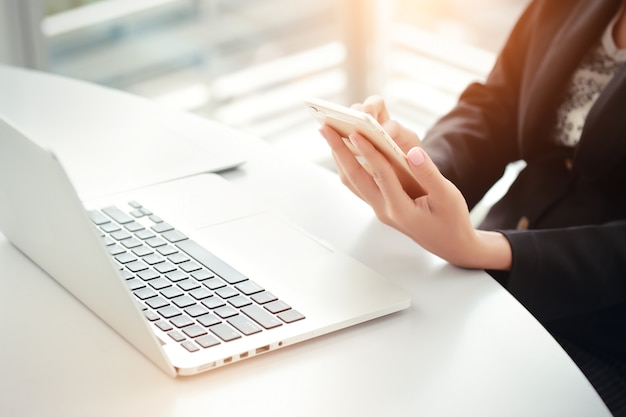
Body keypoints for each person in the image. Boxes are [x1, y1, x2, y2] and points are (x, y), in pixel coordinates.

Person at [318, 0, 626, 414]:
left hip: (600, 337)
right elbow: (499, 104)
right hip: (489, 279)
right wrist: (422, 168)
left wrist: (484, 249)